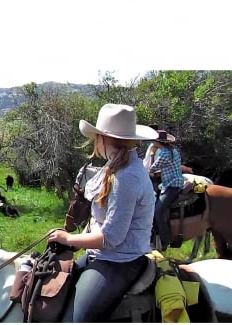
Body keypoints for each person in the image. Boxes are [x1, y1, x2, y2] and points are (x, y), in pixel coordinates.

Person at [48, 103, 158, 322]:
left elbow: (112, 237)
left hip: (119, 262)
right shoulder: (115, 166)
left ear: (102, 139)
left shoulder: (126, 177)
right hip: (101, 256)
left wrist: (69, 238)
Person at [148, 130, 185, 251]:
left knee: (157, 211)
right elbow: (170, 167)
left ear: (156, 142)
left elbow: (151, 169)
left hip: (171, 186)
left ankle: (165, 240)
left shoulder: (164, 154)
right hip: (175, 182)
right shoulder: (173, 151)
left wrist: (152, 154)